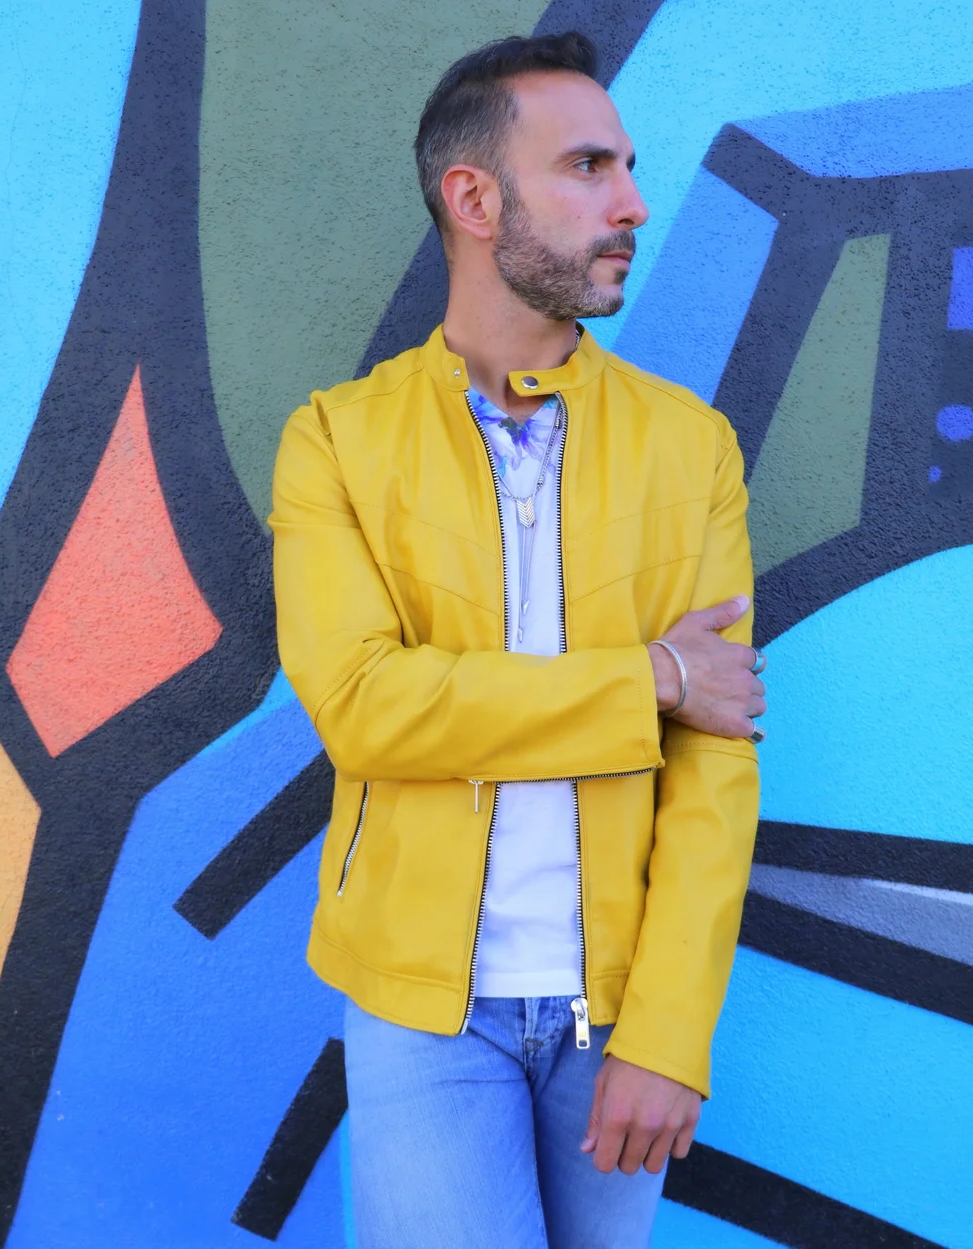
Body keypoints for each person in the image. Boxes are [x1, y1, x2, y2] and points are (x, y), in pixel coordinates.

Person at [270, 31, 765, 1249]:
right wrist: (650, 680)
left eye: (627, 167)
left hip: (620, 1008)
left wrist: (671, 1028)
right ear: (474, 198)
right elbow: (366, 710)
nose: (632, 203)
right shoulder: (337, 440)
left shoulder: (688, 446)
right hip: (422, 1008)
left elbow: (717, 753)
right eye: (589, 166)